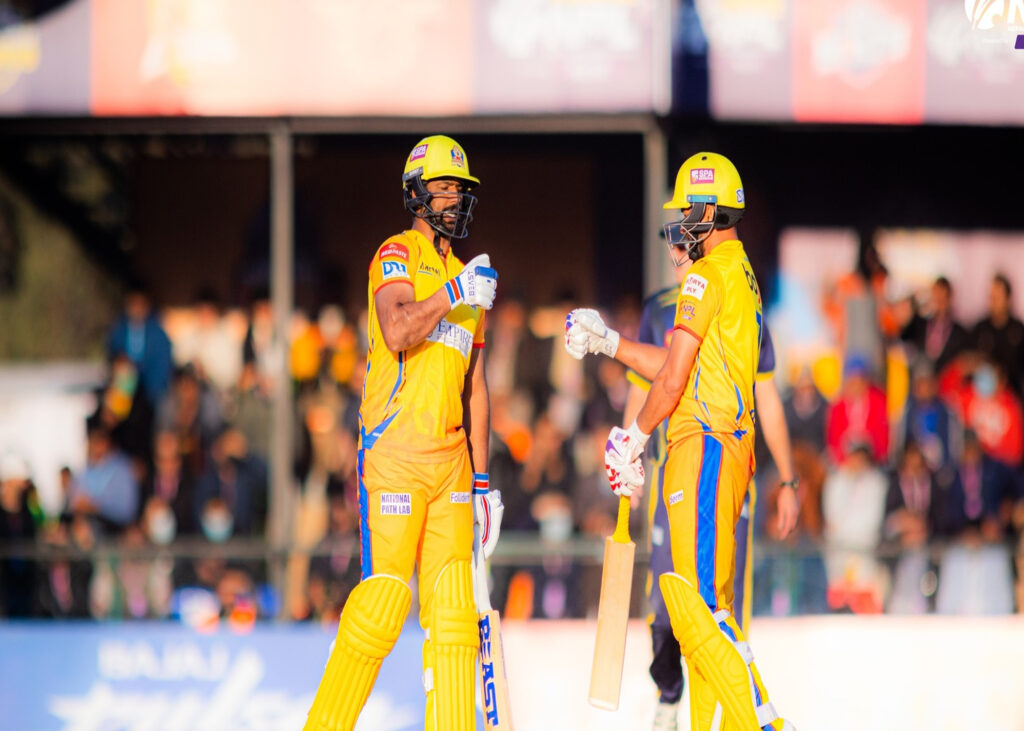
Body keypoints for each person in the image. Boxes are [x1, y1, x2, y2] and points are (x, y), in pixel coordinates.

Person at [567, 152, 794, 730]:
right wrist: (609, 342)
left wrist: (634, 436)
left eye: (688, 210)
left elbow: (672, 379)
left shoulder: (707, 274)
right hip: (720, 445)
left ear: (710, 211)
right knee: (706, 613)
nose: (680, 224)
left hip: (706, 444)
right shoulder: (738, 273)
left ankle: (765, 721)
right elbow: (679, 365)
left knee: (699, 609)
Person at [303, 136, 502, 731]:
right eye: (444, 188)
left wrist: (484, 482)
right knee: (383, 605)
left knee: (454, 617)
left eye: (460, 189)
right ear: (417, 193)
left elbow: (476, 387)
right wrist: (454, 293)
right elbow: (396, 329)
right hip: (395, 454)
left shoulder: (469, 279)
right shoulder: (397, 253)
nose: (454, 199)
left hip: (452, 465)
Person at [971, 273, 1024, 395]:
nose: (993, 301)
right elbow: (969, 361)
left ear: (1008, 299)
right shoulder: (980, 328)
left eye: (997, 297)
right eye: (991, 297)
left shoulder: (1018, 330)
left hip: (1011, 396)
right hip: (983, 398)